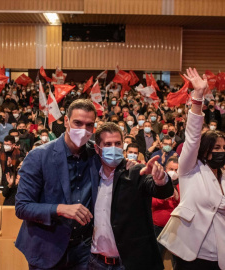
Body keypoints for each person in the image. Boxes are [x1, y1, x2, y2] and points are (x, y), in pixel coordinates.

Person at [15, 99, 136, 270]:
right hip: (47, 247)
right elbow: (22, 207)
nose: (83, 130)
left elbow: (116, 161)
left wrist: (131, 167)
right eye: (77, 123)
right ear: (66, 121)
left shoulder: (95, 154)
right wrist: (61, 209)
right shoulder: (39, 156)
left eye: (89, 125)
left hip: (83, 250)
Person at [158, 68, 225, 270]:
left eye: (224, 148)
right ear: (205, 151)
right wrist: (197, 97)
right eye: (217, 148)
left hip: (220, 256)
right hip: (192, 254)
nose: (222, 151)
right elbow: (194, 136)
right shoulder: (191, 168)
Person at [89, 122, 174, 270]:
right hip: (96, 262)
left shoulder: (135, 171)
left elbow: (162, 191)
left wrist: (161, 179)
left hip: (129, 263)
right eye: (108, 144)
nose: (114, 148)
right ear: (97, 148)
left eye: (117, 143)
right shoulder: (91, 176)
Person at [152, 157, 180, 259]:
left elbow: (184, 204)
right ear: (165, 169)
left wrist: (176, 198)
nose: (174, 172)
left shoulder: (182, 183)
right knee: (156, 256)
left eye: (176, 170)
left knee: (177, 258)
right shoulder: (157, 182)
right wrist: (163, 197)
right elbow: (152, 202)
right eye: (171, 169)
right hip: (159, 227)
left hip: (176, 227)